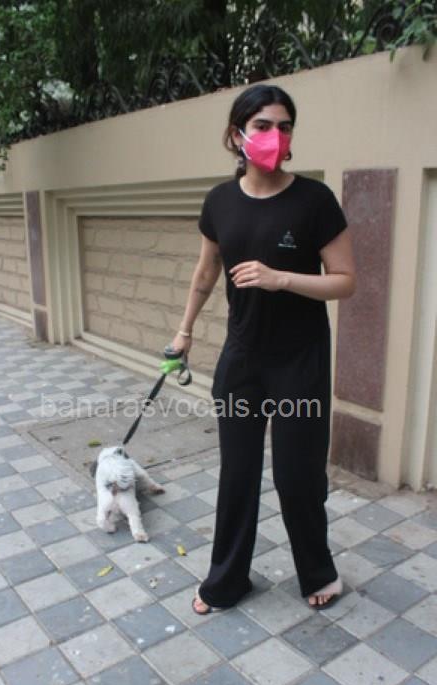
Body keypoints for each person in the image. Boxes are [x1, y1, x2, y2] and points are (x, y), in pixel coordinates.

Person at [168, 83, 356, 614]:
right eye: (263, 126)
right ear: (238, 135)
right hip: (243, 358)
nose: (275, 135)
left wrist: (282, 279)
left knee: (298, 475)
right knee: (238, 473)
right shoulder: (220, 201)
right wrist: (183, 332)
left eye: (284, 126)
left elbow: (346, 281)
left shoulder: (314, 200)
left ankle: (318, 571)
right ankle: (226, 581)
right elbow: (206, 272)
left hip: (300, 361)